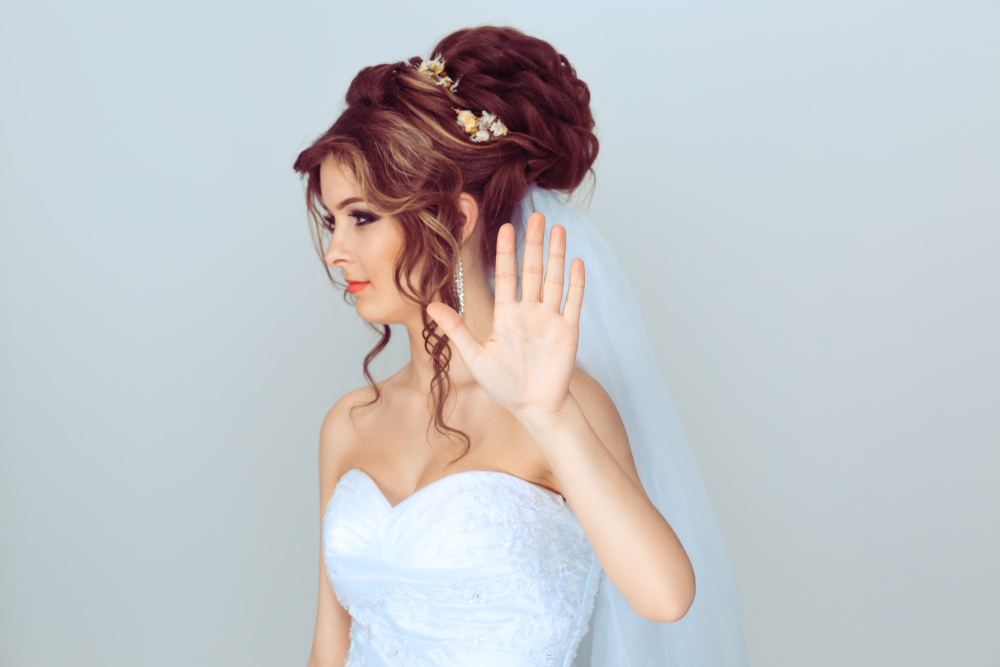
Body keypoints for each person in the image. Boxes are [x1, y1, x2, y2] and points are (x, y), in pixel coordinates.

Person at [294, 25, 748, 667]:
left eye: (362, 217)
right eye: (331, 221)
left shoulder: (561, 404)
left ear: (455, 218)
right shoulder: (348, 423)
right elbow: (328, 647)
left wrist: (547, 414)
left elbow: (666, 598)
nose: (336, 251)